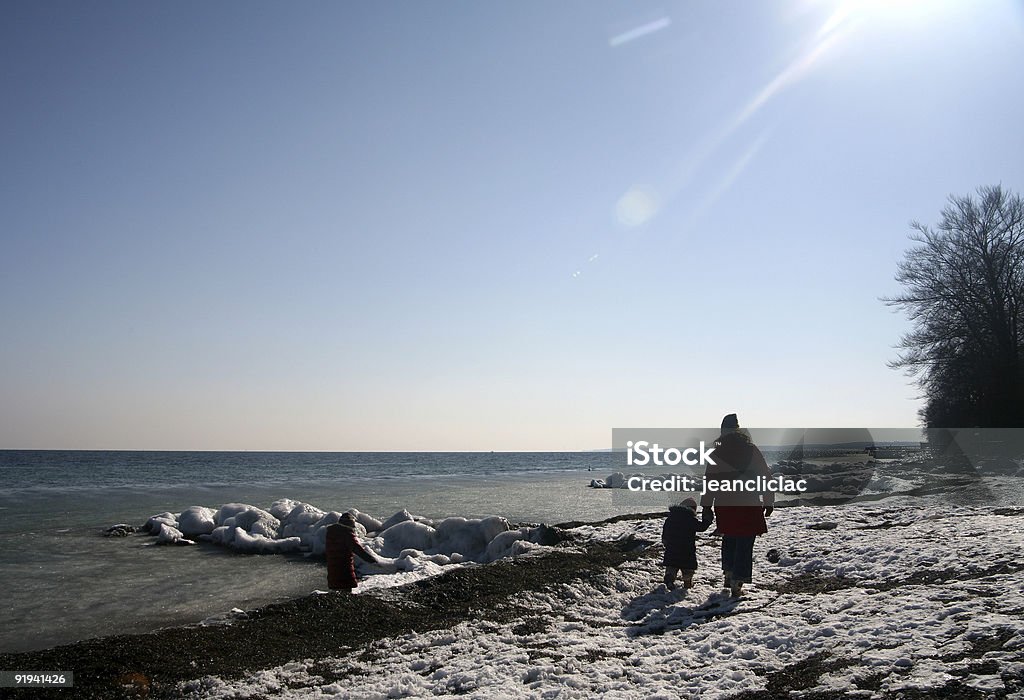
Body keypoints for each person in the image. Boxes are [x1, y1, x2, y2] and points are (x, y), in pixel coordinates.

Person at [700, 413, 774, 597]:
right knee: (745, 540)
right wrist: (768, 500)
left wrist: (707, 506)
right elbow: (764, 475)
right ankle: (737, 582)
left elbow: (709, 481)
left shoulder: (717, 452)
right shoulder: (750, 449)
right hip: (748, 500)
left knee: (730, 536)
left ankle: (729, 572)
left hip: (724, 503)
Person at [661, 497, 712, 590]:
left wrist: (665, 540)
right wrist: (707, 519)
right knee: (688, 570)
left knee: (672, 566)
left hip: (672, 548)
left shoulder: (671, 518)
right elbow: (702, 527)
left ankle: (670, 577)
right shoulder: (690, 520)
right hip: (686, 550)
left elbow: (665, 531)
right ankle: (687, 584)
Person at [325, 513, 379, 592]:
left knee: (336, 595)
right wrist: (372, 560)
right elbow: (357, 549)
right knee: (346, 595)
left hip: (333, 569)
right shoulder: (347, 534)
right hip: (344, 570)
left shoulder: (331, 533)